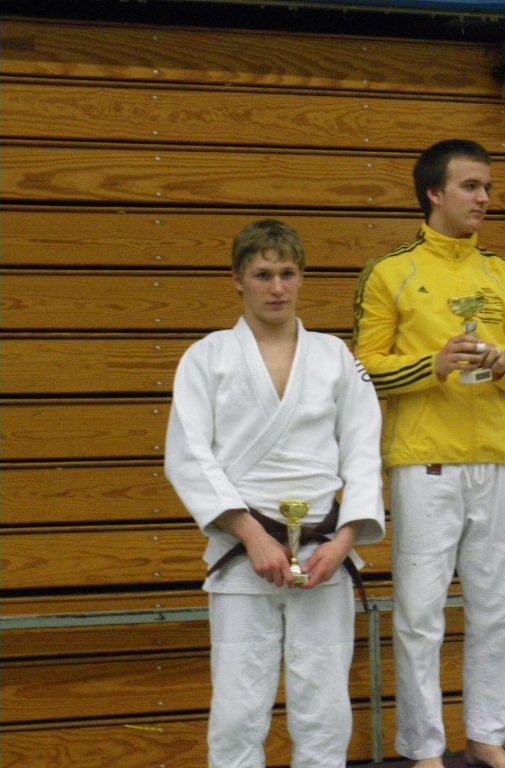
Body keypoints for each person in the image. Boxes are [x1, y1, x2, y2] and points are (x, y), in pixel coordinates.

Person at [164, 219, 386, 768]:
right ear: (237, 279)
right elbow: (188, 455)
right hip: (243, 557)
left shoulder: (335, 357)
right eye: (263, 274)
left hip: (323, 555)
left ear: (302, 278)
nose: (277, 287)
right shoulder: (207, 357)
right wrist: (251, 536)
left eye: (287, 273)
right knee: (239, 708)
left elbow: (363, 452)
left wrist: (345, 540)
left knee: (324, 706)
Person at [352, 139, 505, 768]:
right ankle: (425, 748)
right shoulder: (391, 272)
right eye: (470, 186)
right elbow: (365, 372)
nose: (484, 197)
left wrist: (500, 365)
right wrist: (431, 366)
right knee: (420, 612)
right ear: (434, 193)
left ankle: (487, 737)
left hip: (500, 458)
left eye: (487, 186)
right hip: (424, 460)